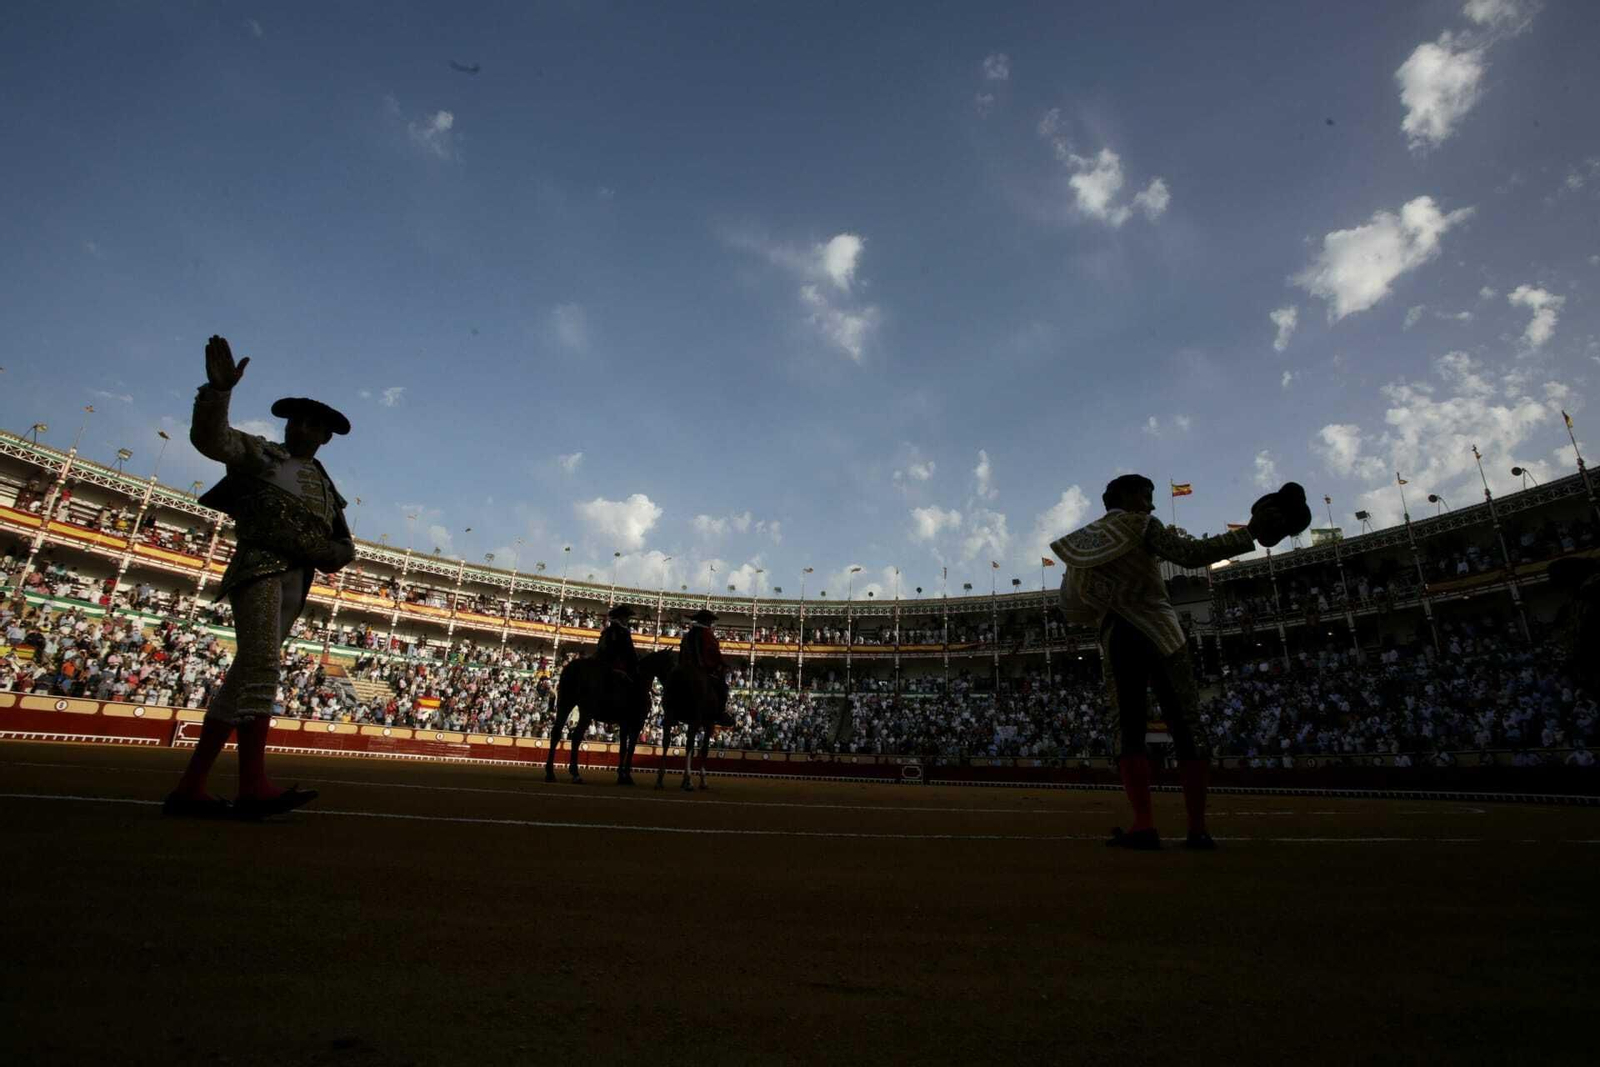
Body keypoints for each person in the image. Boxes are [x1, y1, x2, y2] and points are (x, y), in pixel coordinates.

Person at [1052, 473, 1306, 850]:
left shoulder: (1081, 544)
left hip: (1118, 634)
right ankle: (1197, 828)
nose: (1152, 504)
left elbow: (1072, 604)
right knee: (1186, 725)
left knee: (1129, 730)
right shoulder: (1141, 524)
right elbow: (1188, 556)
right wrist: (1249, 533)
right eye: (1147, 495)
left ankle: (1143, 824)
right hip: (1161, 632)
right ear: (1130, 496)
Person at [163, 335, 357, 819]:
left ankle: (191, 787)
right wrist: (218, 392)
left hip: (296, 579)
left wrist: (332, 552)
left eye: (313, 424)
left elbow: (343, 545)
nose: (302, 428)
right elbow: (211, 440)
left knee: (243, 678)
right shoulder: (261, 456)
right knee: (262, 668)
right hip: (260, 568)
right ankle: (252, 785)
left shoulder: (326, 486)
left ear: (325, 436)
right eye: (296, 419)